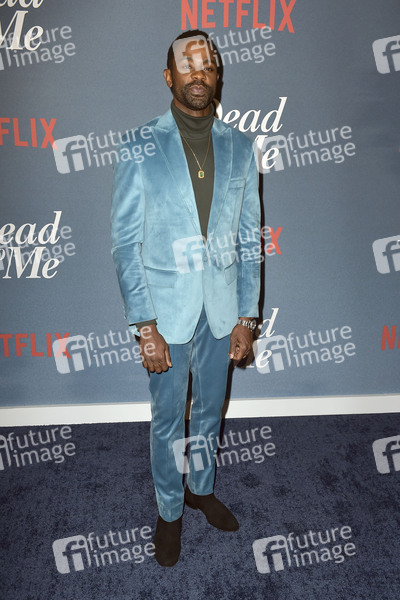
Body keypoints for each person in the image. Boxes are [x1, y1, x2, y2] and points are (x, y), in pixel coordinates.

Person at [111, 29, 261, 567]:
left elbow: (249, 238)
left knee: (211, 412)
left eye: (208, 65)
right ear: (169, 75)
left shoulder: (241, 146)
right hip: (166, 313)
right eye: (188, 64)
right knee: (168, 419)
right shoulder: (140, 144)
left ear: (217, 75)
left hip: (221, 311)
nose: (199, 73)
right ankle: (169, 511)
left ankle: (200, 488)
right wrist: (144, 325)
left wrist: (247, 316)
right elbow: (125, 244)